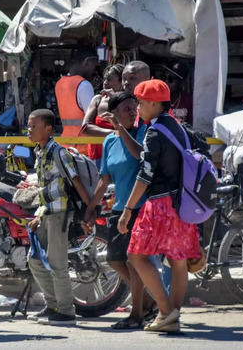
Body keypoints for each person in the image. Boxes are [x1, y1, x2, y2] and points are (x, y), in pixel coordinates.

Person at [118, 79, 202, 333]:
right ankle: (172, 316)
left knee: (136, 255)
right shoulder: (179, 127)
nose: (138, 108)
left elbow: (145, 175)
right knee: (177, 260)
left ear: (155, 103)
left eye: (141, 103)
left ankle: (165, 310)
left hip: (161, 204)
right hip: (182, 203)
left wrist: (128, 209)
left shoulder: (154, 132)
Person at [84, 92, 155, 329]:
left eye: (134, 109)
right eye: (126, 109)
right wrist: (90, 207)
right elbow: (104, 181)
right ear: (113, 113)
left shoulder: (142, 133)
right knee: (115, 259)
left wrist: (121, 129)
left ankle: (137, 314)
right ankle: (147, 300)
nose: (133, 112)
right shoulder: (109, 141)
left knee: (135, 262)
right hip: (118, 208)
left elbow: (139, 155)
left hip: (139, 208)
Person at [26, 108, 91, 326]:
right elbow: (46, 189)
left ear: (48, 129)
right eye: (29, 125)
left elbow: (76, 182)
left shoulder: (58, 152)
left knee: (57, 264)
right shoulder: (39, 151)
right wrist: (38, 215)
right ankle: (52, 305)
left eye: (34, 126)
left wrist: (89, 210)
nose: (29, 130)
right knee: (34, 260)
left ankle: (66, 311)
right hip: (46, 213)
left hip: (60, 215)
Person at [55, 47, 99, 154]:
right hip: (82, 148)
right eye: (93, 65)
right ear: (86, 62)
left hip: (66, 145)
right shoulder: (84, 85)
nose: (94, 70)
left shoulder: (59, 83)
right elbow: (92, 117)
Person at [82, 64, 125, 166]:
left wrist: (116, 98)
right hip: (98, 156)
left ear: (121, 82)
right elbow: (85, 127)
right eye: (105, 79)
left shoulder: (129, 101)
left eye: (109, 79)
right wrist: (115, 133)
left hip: (120, 154)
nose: (105, 82)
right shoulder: (98, 99)